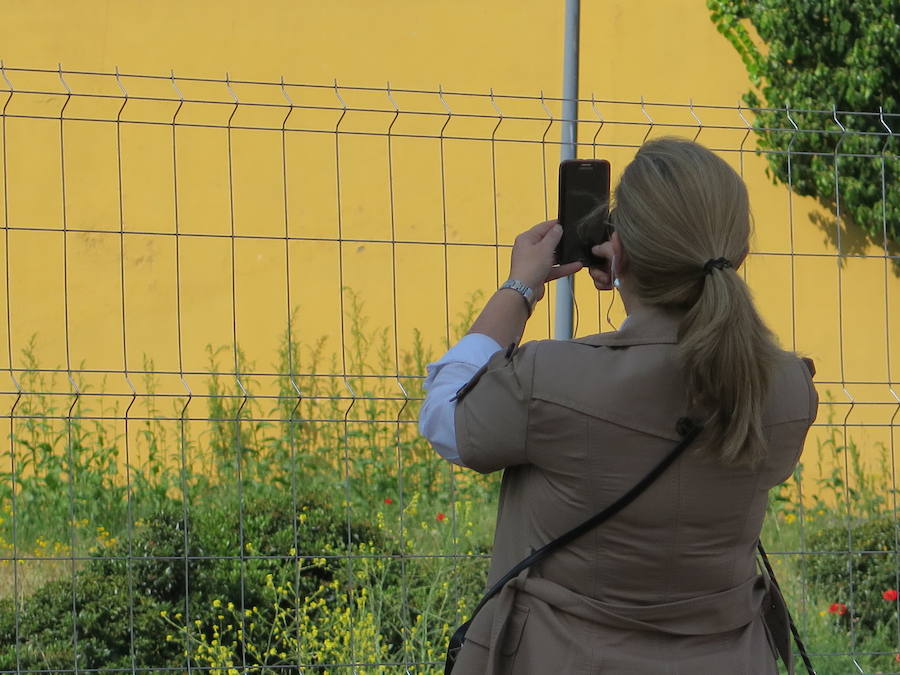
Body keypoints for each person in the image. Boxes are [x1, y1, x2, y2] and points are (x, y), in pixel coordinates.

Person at [418, 137, 818, 674]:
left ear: (617, 248)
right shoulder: (788, 387)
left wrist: (520, 286)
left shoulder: (550, 380)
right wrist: (639, 282)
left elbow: (444, 415)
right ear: (739, 253)